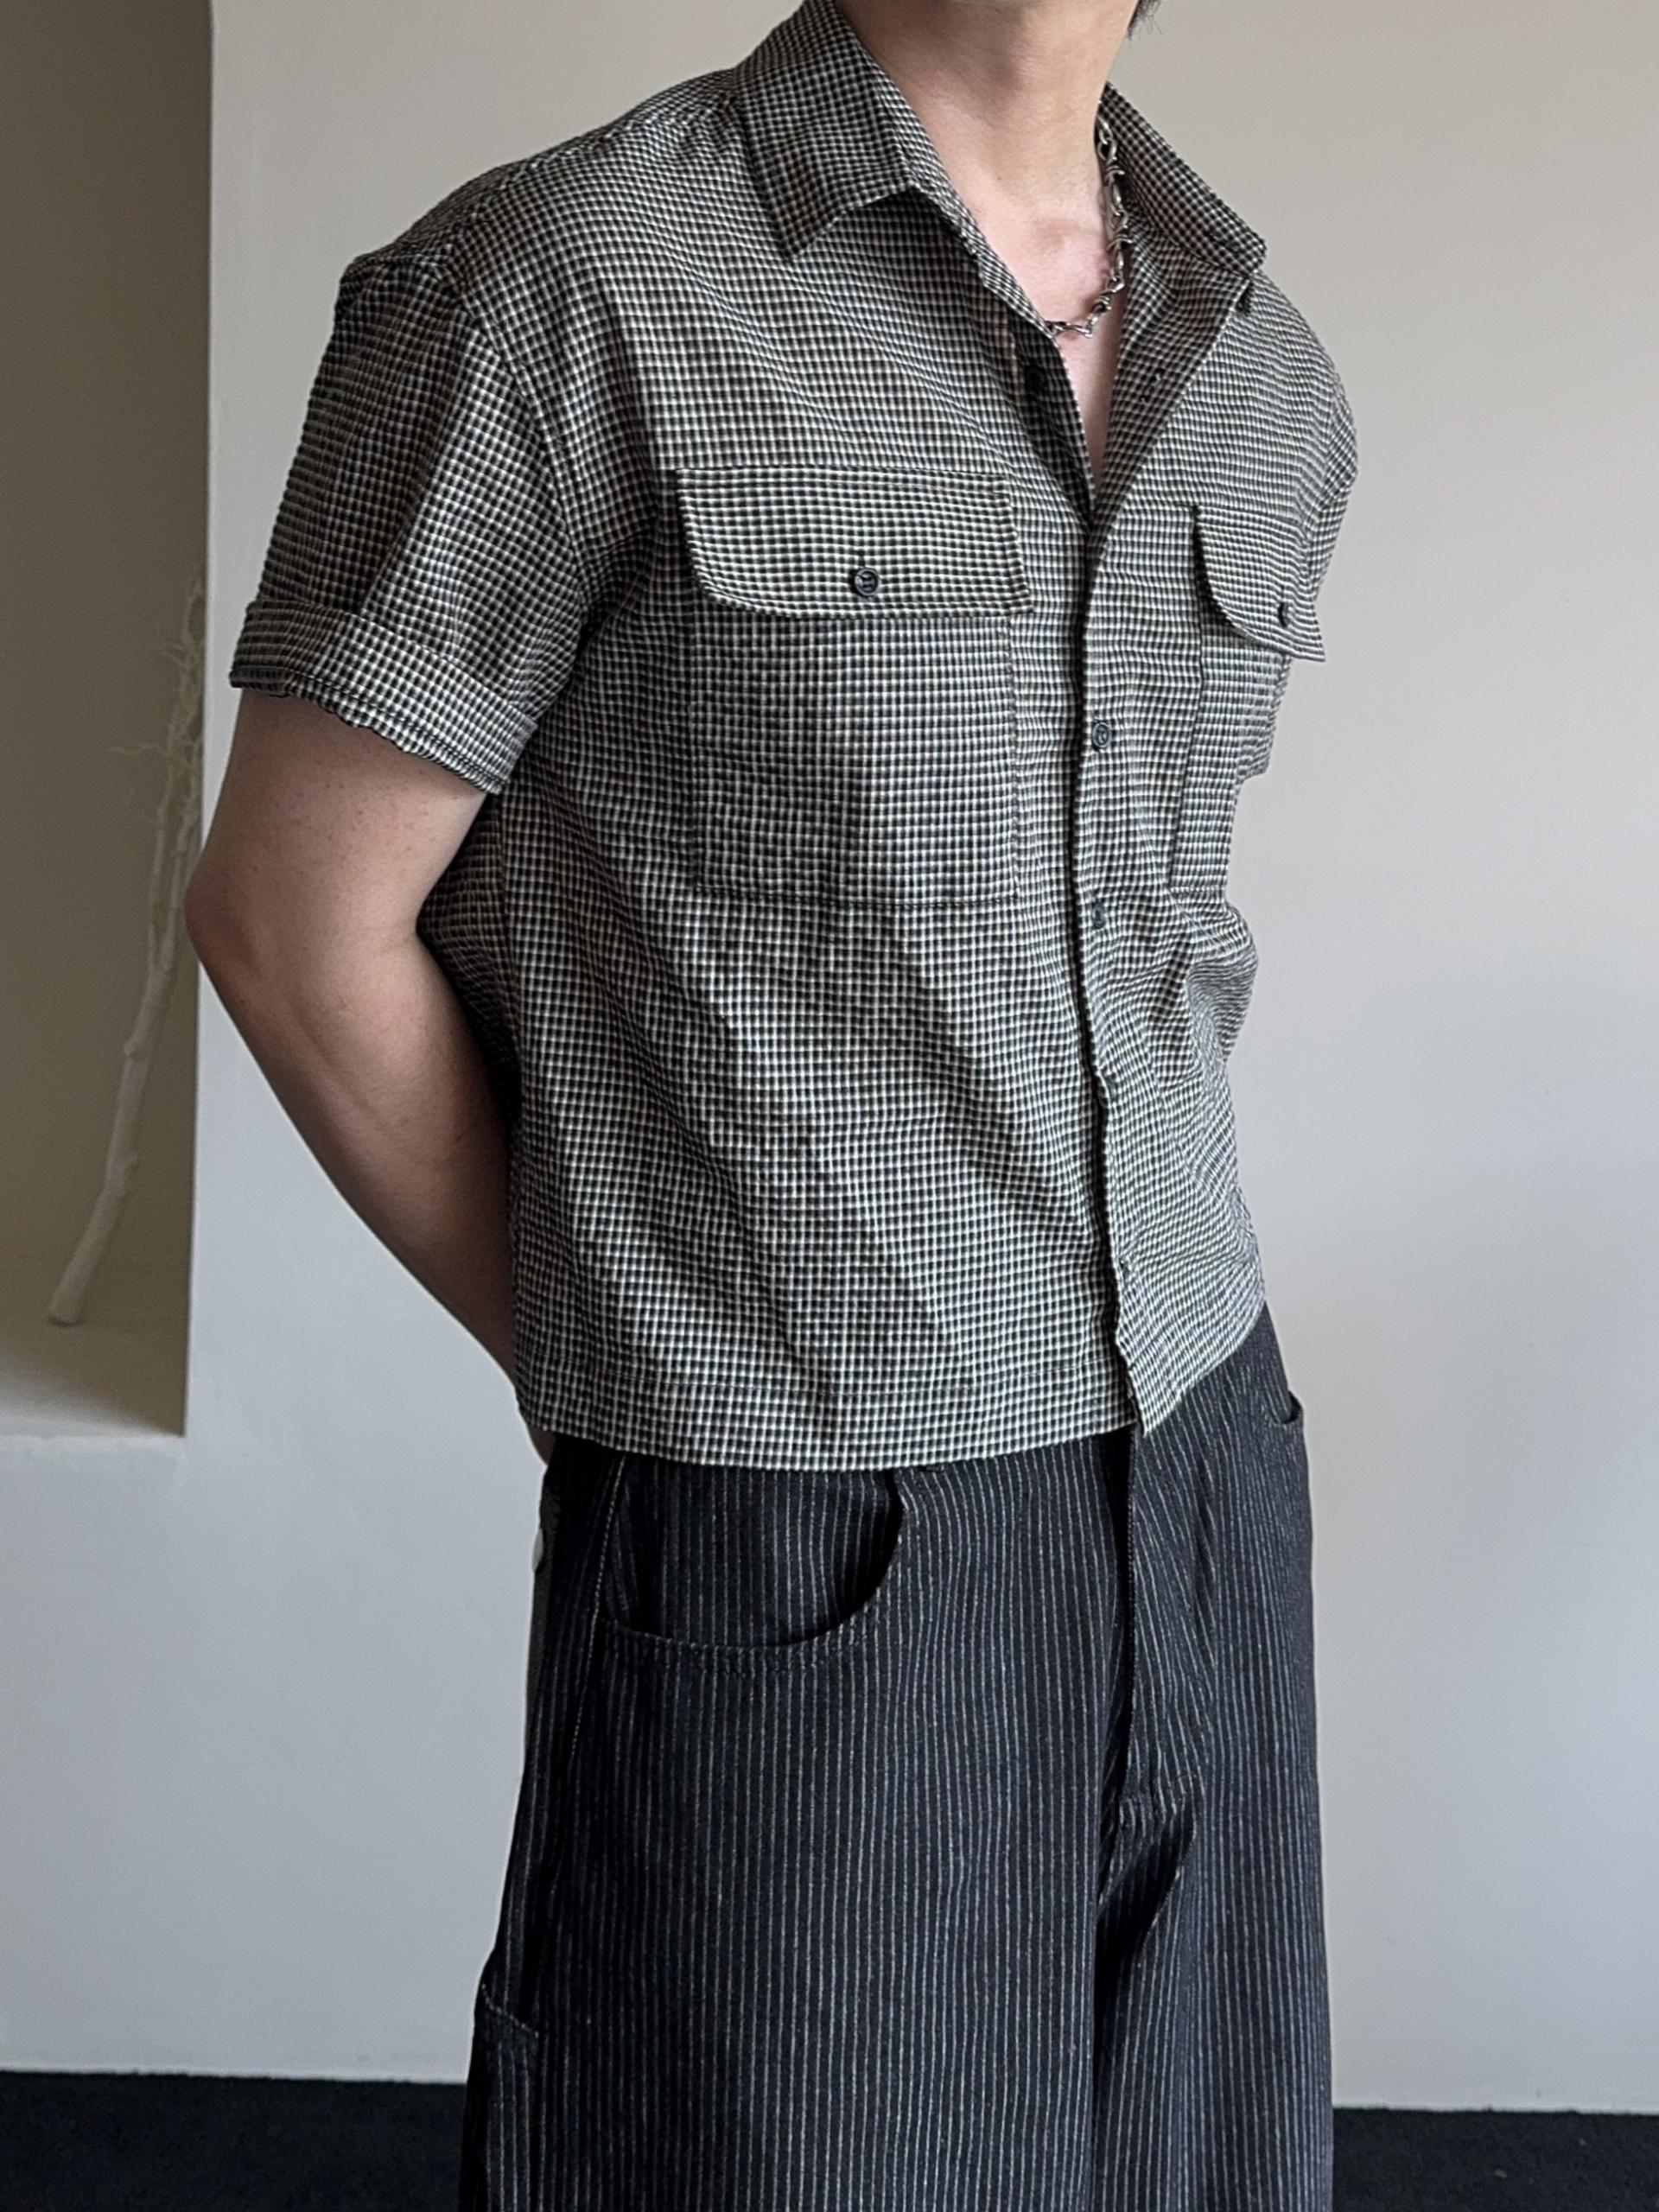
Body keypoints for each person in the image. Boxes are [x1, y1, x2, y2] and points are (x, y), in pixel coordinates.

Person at [186, 0, 1358, 2202]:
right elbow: (291, 923)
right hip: (798, 1519)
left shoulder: (1265, 371)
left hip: (1210, 1452)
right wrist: (642, 1355)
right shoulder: (564, 285)